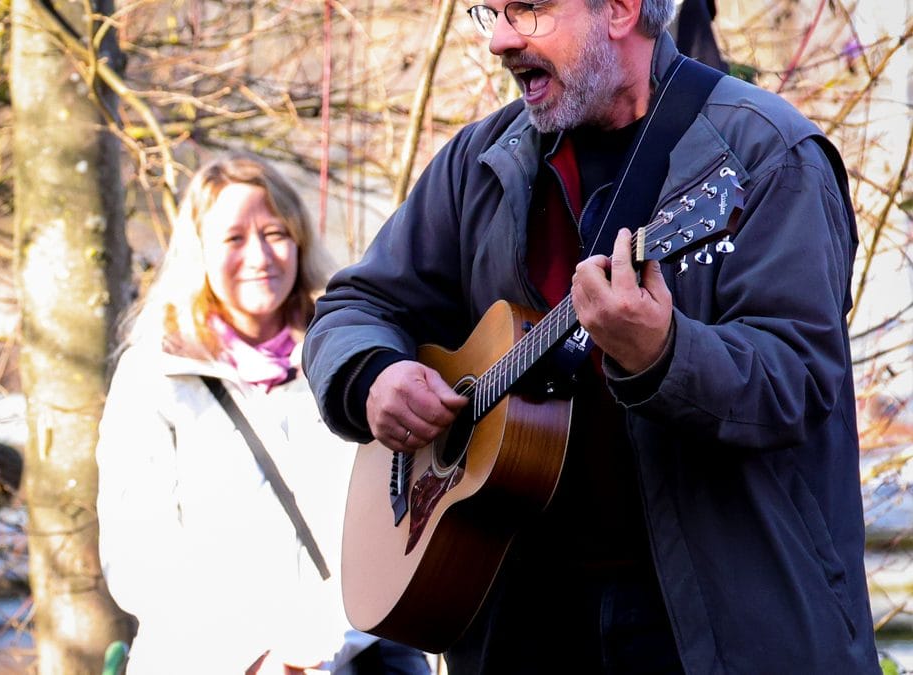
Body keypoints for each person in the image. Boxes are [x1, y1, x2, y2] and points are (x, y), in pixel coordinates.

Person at [301, 1, 881, 673]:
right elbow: (354, 304)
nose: (501, 40)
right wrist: (372, 375)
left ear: (620, 9)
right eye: (490, 12)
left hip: (718, 631)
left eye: (530, 10)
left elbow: (800, 380)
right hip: (519, 620)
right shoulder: (481, 161)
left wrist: (664, 353)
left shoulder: (766, 157)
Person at [95, 153, 433, 674]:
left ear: (298, 241)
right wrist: (252, 653)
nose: (259, 256)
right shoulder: (156, 374)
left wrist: (329, 641)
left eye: (275, 233)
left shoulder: (352, 365)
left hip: (357, 655)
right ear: (200, 253)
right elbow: (138, 557)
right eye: (233, 239)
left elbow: (393, 523)